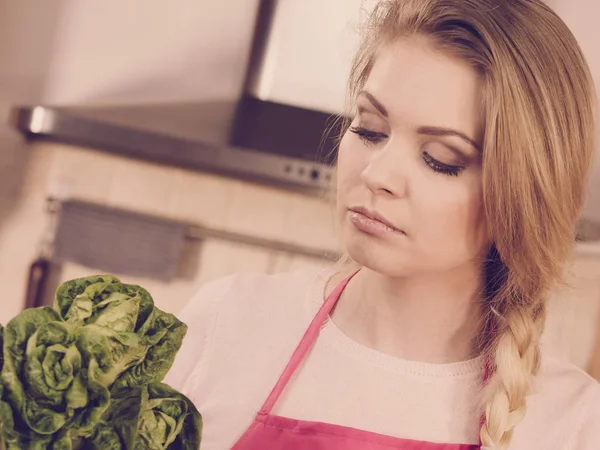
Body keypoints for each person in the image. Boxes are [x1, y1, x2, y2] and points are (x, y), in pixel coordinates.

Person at [165, 0, 600, 449]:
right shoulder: (228, 322)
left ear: (521, 196)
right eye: (370, 129)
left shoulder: (574, 424)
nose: (376, 175)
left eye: (440, 159)